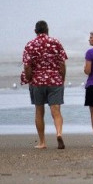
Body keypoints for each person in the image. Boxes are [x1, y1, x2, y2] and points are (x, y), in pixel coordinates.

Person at [21, 20, 67, 149]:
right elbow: (62, 63)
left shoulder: (30, 45)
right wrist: (61, 79)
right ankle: (58, 133)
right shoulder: (56, 42)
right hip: (55, 80)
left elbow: (27, 66)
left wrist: (30, 79)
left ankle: (42, 142)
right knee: (56, 110)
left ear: (35, 31)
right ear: (48, 30)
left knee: (39, 111)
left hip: (37, 81)